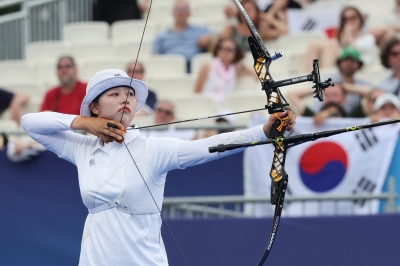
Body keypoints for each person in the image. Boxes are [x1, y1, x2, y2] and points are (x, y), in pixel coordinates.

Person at [21, 68, 296, 265]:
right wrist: (82, 123)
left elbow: (209, 147)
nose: (125, 99)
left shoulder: (152, 148)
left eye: (129, 94)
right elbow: (30, 123)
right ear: (94, 107)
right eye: (114, 94)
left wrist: (262, 132)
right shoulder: (82, 148)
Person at [305, 6, 376, 70]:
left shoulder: (368, 38)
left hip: (357, 68)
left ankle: (326, 77)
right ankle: (310, 78)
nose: (349, 22)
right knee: (313, 45)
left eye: (352, 18)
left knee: (331, 44)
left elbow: (353, 53)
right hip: (340, 67)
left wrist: (348, 36)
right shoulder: (340, 39)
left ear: (360, 19)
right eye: (345, 19)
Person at [152, 0, 212, 72]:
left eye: (184, 10)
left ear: (189, 13)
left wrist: (210, 37)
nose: (180, 12)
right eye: (178, 9)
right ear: (173, 13)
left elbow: (222, 37)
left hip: (197, 71)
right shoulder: (161, 36)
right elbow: (155, 59)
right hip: (170, 71)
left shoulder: (200, 30)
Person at [194, 37, 255, 104]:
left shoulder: (236, 69)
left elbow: (256, 75)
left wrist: (239, 64)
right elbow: (197, 92)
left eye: (229, 49)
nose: (224, 51)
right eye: (221, 48)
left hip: (227, 106)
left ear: (235, 53)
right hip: (208, 106)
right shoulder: (207, 66)